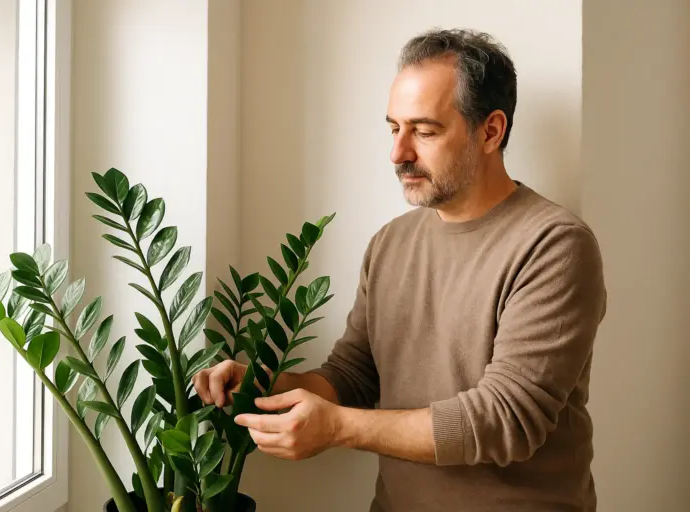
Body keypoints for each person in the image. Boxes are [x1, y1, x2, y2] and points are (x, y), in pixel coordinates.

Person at [193, 28, 607, 511]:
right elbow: (352, 375)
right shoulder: (390, 243)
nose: (398, 154)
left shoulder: (554, 245)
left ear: (491, 131)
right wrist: (265, 386)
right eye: (394, 128)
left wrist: (338, 428)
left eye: (425, 131)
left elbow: (505, 420)